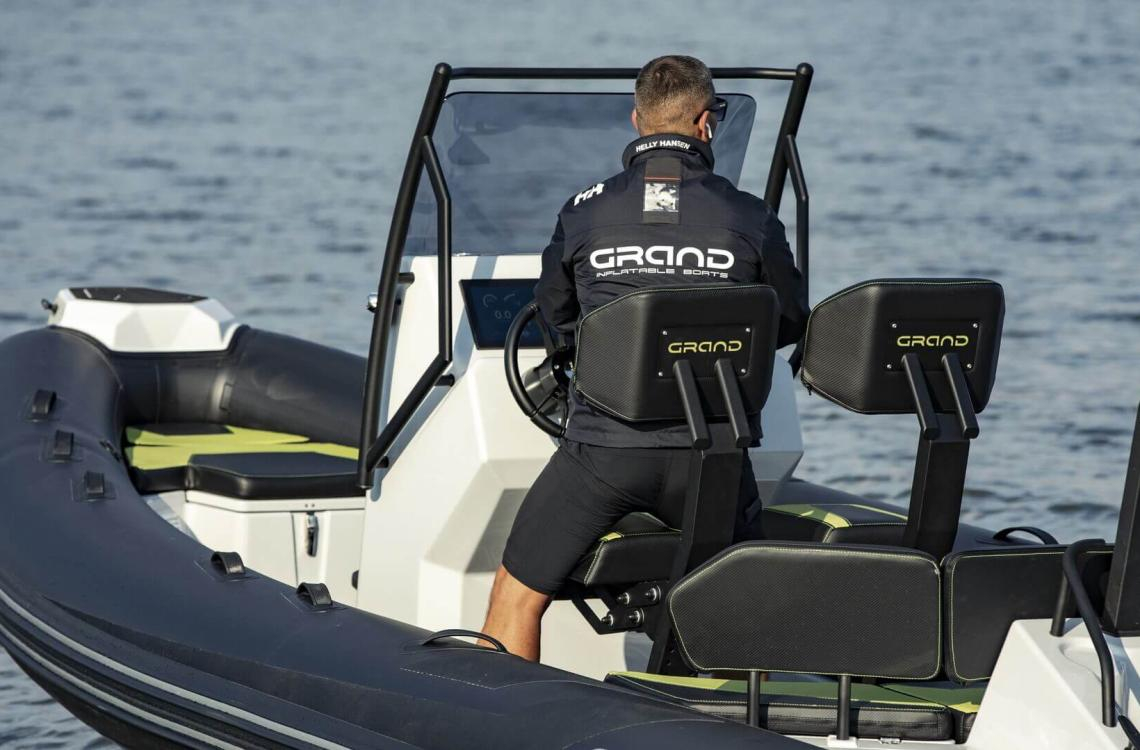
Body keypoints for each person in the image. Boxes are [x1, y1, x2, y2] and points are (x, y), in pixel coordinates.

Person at [481, 55, 809, 661]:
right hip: (714, 457)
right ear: (706, 123)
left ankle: (509, 710)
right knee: (745, 602)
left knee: (516, 593)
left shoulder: (584, 212)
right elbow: (786, 322)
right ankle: (742, 703)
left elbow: (557, 320)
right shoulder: (751, 217)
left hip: (605, 455)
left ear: (637, 121)